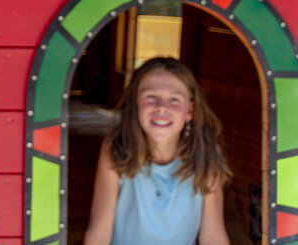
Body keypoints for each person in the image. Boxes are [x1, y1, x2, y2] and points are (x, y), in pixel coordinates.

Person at [84, 57, 232, 245]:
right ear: (135, 102)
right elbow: (99, 233)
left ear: (190, 110)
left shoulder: (206, 153)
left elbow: (213, 236)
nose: (162, 107)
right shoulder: (115, 149)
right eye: (151, 97)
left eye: (174, 99)